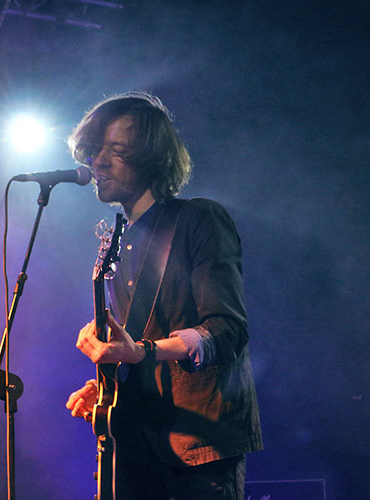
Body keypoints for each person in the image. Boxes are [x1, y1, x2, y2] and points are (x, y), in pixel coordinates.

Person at [65, 92, 262, 500]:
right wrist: (108, 386)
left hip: (200, 447)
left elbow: (227, 331)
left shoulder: (198, 219)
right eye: (95, 150)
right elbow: (138, 347)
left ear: (151, 157)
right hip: (137, 451)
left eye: (116, 150)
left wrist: (141, 352)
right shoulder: (117, 242)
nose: (98, 162)